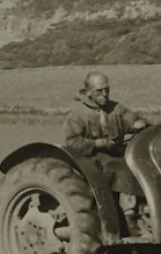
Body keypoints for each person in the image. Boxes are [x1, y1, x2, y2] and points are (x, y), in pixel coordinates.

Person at [64, 70, 149, 220]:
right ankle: (128, 216)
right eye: (99, 91)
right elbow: (72, 142)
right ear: (88, 92)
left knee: (141, 166)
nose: (104, 94)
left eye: (107, 90)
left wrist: (139, 123)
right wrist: (98, 143)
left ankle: (144, 210)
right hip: (92, 158)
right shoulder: (78, 114)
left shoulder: (116, 109)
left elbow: (132, 118)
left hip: (117, 155)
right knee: (121, 172)